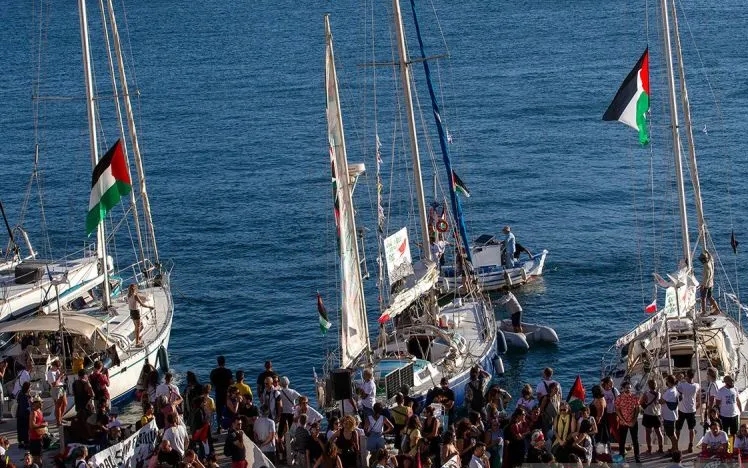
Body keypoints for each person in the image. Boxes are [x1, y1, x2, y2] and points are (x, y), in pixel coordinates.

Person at [615, 381, 641, 464]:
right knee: (622, 440)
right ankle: (621, 455)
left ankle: (637, 457)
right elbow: (617, 410)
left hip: (633, 422)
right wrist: (623, 420)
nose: (628, 389)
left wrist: (634, 420)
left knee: (635, 440)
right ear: (623, 388)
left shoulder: (634, 397)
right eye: (626, 388)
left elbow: (637, 409)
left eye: (629, 388)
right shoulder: (619, 398)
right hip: (623, 423)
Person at [675, 369, 700, 452]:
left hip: (682, 410)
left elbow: (676, 389)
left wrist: (680, 380)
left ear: (687, 375)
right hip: (691, 410)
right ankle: (691, 446)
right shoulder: (696, 386)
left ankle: (675, 445)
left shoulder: (682, 385)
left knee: (678, 429)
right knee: (691, 428)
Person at [209, 356, 232, 434]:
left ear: (218, 363)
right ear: (224, 363)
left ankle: (219, 428)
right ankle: (229, 427)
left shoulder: (214, 372)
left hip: (218, 392)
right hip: (226, 393)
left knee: (219, 411)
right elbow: (231, 382)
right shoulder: (228, 372)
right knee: (228, 410)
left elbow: (212, 383)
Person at [640, 378, 664, 454]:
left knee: (648, 433)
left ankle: (649, 449)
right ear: (655, 385)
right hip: (656, 415)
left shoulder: (646, 393)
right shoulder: (658, 394)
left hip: (648, 414)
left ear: (648, 385)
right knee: (659, 432)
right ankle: (661, 449)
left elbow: (641, 403)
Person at [660, 374, 680, 454]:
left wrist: (658, 399)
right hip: (672, 415)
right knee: (671, 433)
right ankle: (674, 448)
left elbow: (661, 401)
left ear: (668, 382)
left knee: (671, 434)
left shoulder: (670, 392)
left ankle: (675, 450)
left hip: (669, 416)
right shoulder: (674, 390)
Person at [699, 251, 723, 315]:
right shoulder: (710, 261)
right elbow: (711, 257)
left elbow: (707, 276)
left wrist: (703, 285)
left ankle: (704, 312)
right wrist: (706, 251)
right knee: (710, 297)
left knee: (703, 298)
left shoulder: (706, 266)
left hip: (706, 284)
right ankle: (717, 310)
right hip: (711, 283)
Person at [45, 359, 65, 426]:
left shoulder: (57, 370)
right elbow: (54, 384)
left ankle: (60, 418)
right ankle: (58, 422)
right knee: (58, 406)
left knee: (64, 404)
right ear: (54, 366)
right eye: (58, 367)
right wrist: (60, 376)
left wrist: (61, 376)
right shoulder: (50, 373)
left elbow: (60, 380)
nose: (58, 368)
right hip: (55, 389)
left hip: (61, 388)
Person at [28, 397, 47, 467]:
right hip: (34, 439)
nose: (42, 403)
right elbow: (32, 426)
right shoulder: (33, 413)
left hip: (40, 437)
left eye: (42, 402)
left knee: (40, 456)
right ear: (35, 403)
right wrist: (43, 425)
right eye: (40, 402)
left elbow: (40, 422)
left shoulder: (40, 411)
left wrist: (44, 424)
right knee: (36, 458)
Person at [703, 367, 721, 435]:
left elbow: (712, 399)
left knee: (711, 427)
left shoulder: (713, 385)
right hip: (716, 409)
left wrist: (709, 411)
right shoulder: (718, 383)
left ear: (710, 375)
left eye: (707, 374)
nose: (707, 375)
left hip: (713, 410)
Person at [16, 382, 31, 449]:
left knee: (20, 429)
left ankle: (20, 443)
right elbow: (26, 407)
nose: (30, 389)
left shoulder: (20, 394)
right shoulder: (24, 396)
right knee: (25, 429)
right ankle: (26, 443)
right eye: (30, 388)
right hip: (24, 415)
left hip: (19, 414)